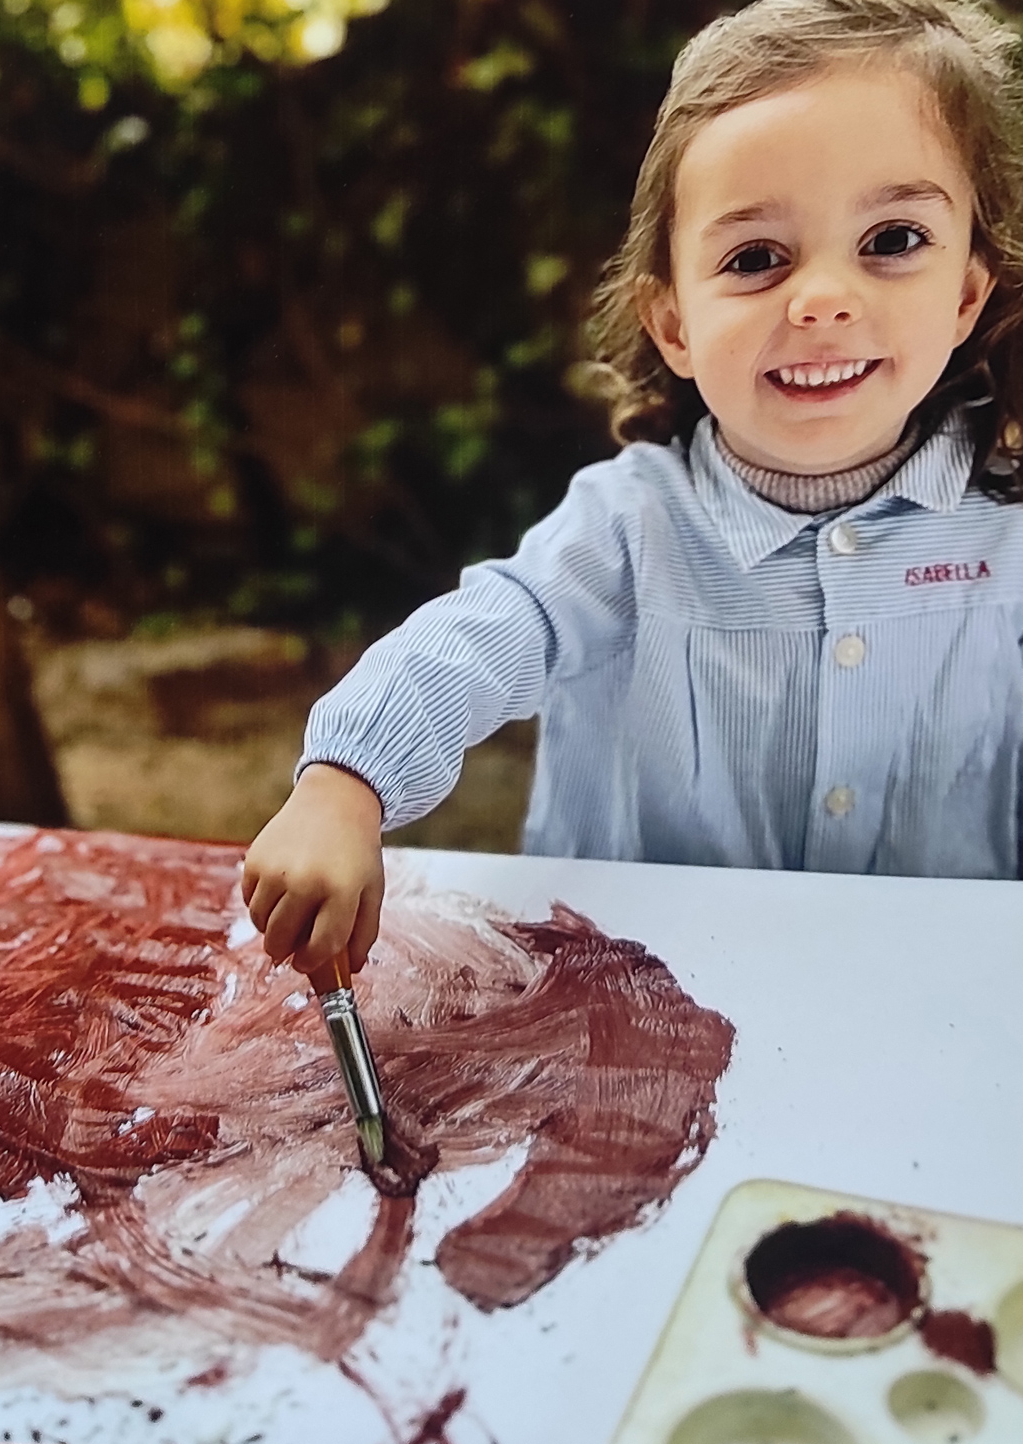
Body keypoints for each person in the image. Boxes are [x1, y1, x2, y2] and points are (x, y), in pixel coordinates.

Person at [243, 0, 1023, 976]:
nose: (823, 296)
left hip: (937, 1003)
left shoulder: (1006, 530)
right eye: (754, 258)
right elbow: (476, 639)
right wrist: (341, 785)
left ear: (963, 294)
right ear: (673, 327)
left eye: (892, 239)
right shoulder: (626, 529)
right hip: (635, 1007)